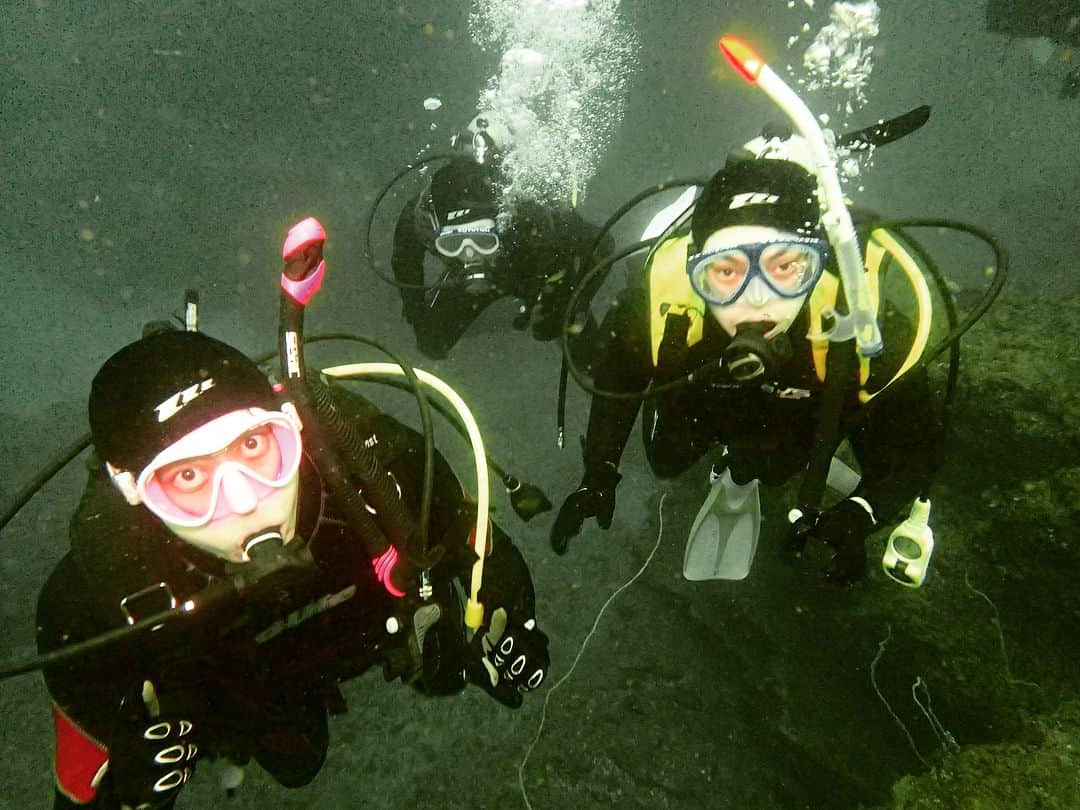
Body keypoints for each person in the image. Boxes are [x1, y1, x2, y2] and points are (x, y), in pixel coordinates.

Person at [36, 327, 549, 809]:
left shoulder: (373, 471)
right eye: (190, 475)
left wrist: (508, 610)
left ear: (292, 424)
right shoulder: (89, 612)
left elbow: (473, 535)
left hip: (369, 631)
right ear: (132, 491)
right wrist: (126, 794)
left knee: (442, 671)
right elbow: (79, 785)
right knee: (296, 761)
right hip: (251, 692)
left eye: (254, 445)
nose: (243, 501)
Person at [549, 131, 943, 586]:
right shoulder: (661, 307)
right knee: (665, 461)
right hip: (698, 406)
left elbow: (915, 450)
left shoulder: (863, 324)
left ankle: (741, 470)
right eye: (725, 271)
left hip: (798, 422)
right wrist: (598, 472)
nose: (756, 300)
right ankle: (735, 461)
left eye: (786, 267)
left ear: (819, 266)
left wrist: (860, 515)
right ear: (694, 272)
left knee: (775, 470)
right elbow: (619, 382)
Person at [390, 127, 609, 359]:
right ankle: (514, 316)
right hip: (491, 274)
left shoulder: (530, 213)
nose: (470, 255)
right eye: (453, 244)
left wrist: (576, 300)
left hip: (536, 270)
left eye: (483, 241)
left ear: (502, 227)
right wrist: (415, 309)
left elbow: (603, 245)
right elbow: (404, 259)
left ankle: (530, 310)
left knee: (586, 356)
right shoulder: (426, 215)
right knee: (430, 343)